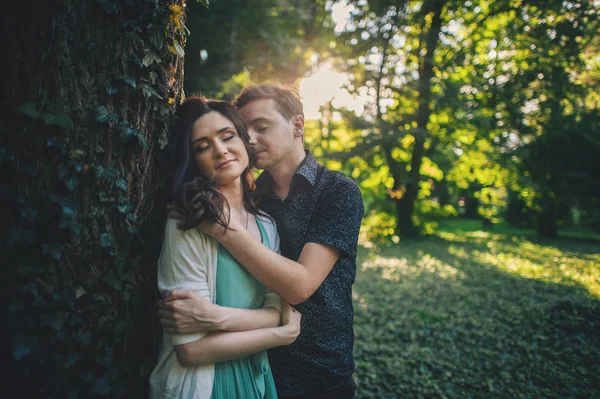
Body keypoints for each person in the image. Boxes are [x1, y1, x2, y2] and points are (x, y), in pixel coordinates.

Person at [159, 84, 364, 398]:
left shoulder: (336, 191)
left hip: (320, 373)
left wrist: (222, 230)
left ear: (297, 125)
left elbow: (299, 287)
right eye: (245, 130)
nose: (250, 139)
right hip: (258, 366)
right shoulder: (256, 199)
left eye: (261, 127)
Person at [149, 97, 301, 399]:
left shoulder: (267, 225)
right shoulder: (186, 222)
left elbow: (277, 309)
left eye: (227, 136)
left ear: (245, 141)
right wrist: (279, 335)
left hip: (256, 379)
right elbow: (191, 350)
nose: (220, 150)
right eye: (202, 146)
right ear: (193, 161)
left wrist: (214, 316)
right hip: (202, 385)